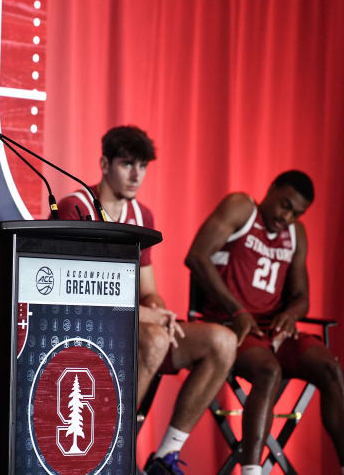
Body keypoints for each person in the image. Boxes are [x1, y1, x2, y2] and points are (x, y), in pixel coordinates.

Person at [56, 125, 237, 475]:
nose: (137, 175)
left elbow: (148, 288)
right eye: (127, 164)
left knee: (222, 341)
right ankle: (107, 448)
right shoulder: (75, 206)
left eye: (143, 166)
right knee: (153, 338)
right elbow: (74, 291)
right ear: (104, 164)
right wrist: (148, 318)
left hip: (132, 325)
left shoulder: (142, 215)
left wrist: (159, 310)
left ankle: (164, 457)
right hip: (85, 326)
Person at [185, 170, 344, 475]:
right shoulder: (242, 208)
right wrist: (237, 311)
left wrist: (291, 315)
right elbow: (197, 257)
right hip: (231, 326)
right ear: (271, 189)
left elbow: (301, 297)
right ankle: (252, 471)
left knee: (331, 367)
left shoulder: (296, 234)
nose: (288, 217)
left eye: (297, 213)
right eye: (285, 205)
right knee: (269, 371)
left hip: (272, 331)